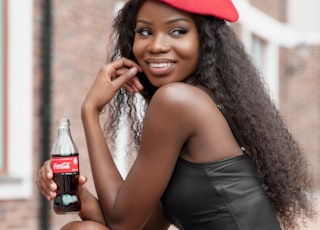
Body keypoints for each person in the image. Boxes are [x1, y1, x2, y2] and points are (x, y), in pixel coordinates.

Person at [37, 0, 315, 229]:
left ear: (205, 41)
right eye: (145, 31)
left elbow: (122, 223)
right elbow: (140, 226)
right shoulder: (201, 102)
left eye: (177, 31)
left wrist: (90, 110)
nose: (156, 45)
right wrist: (73, 190)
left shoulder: (176, 101)